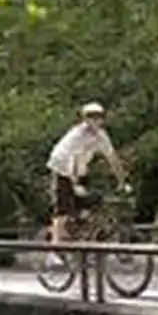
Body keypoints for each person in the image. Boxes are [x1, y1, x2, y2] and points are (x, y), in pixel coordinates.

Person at [46, 101, 127, 244]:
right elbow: (72, 158)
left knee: (94, 199)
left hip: (80, 169)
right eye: (91, 118)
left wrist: (122, 181)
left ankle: (79, 225)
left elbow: (112, 158)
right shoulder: (77, 135)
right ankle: (55, 248)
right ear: (85, 119)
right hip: (62, 168)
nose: (95, 121)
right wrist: (75, 183)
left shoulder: (101, 136)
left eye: (98, 118)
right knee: (63, 210)